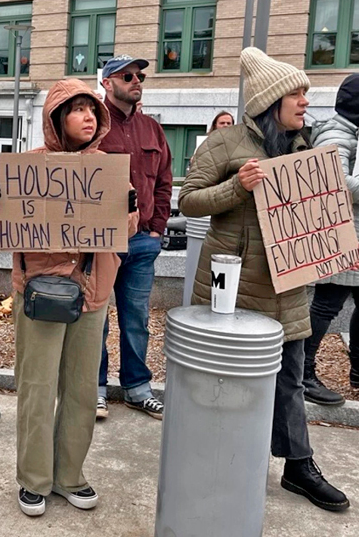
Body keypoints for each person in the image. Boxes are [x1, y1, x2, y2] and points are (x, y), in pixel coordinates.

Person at [179, 47, 349, 512]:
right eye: (297, 93)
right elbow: (189, 202)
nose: (305, 102)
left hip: (288, 289)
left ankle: (299, 465)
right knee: (221, 380)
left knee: (290, 380)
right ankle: (217, 459)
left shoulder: (305, 149)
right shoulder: (224, 144)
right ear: (271, 100)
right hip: (232, 292)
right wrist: (238, 186)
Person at [0, 79, 138, 517]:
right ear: (57, 118)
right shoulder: (30, 167)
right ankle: (33, 480)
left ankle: (69, 475)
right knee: (37, 389)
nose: (88, 117)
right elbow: (4, 230)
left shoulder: (109, 168)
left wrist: (127, 209)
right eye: (76, 109)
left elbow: (125, 232)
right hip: (40, 293)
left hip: (93, 295)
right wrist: (0, 207)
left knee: (80, 389)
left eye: (92, 109)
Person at [96, 54, 172, 420]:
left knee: (136, 318)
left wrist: (157, 228)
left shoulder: (153, 130)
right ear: (107, 83)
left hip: (142, 242)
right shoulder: (92, 124)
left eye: (140, 75)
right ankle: (93, 387)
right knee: (95, 316)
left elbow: (164, 182)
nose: (136, 80)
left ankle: (137, 388)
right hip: (100, 242)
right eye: (127, 76)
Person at [301, 74, 359, 406]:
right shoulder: (335, 136)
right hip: (341, 238)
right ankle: (303, 372)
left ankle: (357, 373)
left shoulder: (349, 133)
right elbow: (334, 182)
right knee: (326, 305)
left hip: (353, 236)